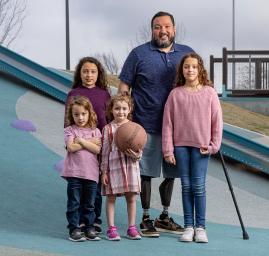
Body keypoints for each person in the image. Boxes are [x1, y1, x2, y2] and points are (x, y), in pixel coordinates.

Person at [118, 11, 194, 237]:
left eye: (167, 27)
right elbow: (123, 89)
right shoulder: (138, 54)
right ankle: (145, 218)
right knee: (146, 173)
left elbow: (197, 83)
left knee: (172, 173)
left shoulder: (187, 53)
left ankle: (164, 216)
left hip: (178, 128)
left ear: (174, 29)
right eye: (157, 27)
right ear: (152, 30)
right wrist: (125, 121)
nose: (162, 31)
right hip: (145, 125)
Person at [162, 53, 223, 243]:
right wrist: (168, 151)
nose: (190, 70)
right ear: (182, 70)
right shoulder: (175, 94)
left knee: (199, 186)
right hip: (180, 146)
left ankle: (201, 228)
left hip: (202, 147)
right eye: (187, 66)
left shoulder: (209, 93)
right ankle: (188, 227)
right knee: (186, 186)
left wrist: (214, 146)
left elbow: (217, 121)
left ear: (200, 69)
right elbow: (168, 124)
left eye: (194, 67)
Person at [64, 57, 112, 234]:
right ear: (79, 73)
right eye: (85, 71)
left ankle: (94, 220)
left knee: (95, 186)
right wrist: (79, 142)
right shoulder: (73, 94)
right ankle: (80, 222)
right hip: (79, 148)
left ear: (98, 74)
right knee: (79, 187)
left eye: (93, 71)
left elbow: (107, 121)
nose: (89, 75)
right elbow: (68, 123)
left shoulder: (105, 94)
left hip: (98, 144)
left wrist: (101, 144)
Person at [99, 94, 142, 241]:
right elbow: (104, 152)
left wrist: (137, 156)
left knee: (131, 198)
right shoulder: (107, 129)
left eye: (124, 108)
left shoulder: (134, 128)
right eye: (117, 108)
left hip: (130, 167)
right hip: (114, 168)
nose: (120, 111)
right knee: (111, 198)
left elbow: (139, 149)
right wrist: (103, 171)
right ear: (111, 109)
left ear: (129, 109)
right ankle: (111, 229)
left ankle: (131, 228)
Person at [62, 96, 103, 242]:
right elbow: (71, 147)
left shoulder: (96, 132)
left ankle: (89, 229)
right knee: (73, 203)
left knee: (89, 204)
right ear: (71, 115)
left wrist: (82, 140)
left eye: (83, 114)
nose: (80, 117)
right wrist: (87, 142)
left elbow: (97, 149)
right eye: (76, 114)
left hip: (91, 174)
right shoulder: (69, 130)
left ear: (89, 114)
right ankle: (74, 230)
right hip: (74, 173)